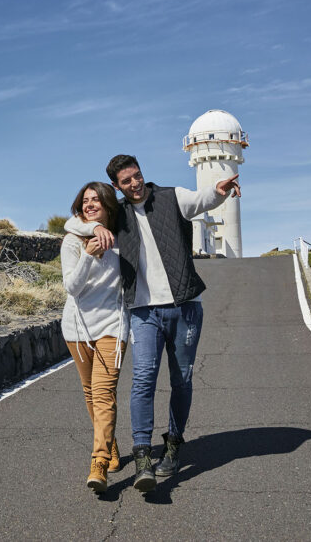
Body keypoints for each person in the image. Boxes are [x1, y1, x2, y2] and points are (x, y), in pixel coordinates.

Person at [65, 154, 240, 492]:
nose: (135, 184)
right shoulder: (118, 215)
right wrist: (97, 227)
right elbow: (76, 221)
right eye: (126, 181)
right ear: (117, 186)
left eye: (137, 176)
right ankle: (143, 453)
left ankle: (173, 444)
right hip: (143, 312)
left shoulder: (171, 197)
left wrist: (218, 192)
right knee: (143, 379)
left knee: (182, 380)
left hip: (185, 306)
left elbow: (200, 199)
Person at [60, 181, 129, 494]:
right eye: (85, 201)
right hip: (77, 330)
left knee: (103, 393)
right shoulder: (72, 241)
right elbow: (72, 288)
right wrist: (88, 253)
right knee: (90, 392)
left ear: (108, 205)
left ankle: (98, 463)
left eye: (96, 201)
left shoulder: (123, 239)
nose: (89, 205)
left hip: (112, 327)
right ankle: (110, 444)